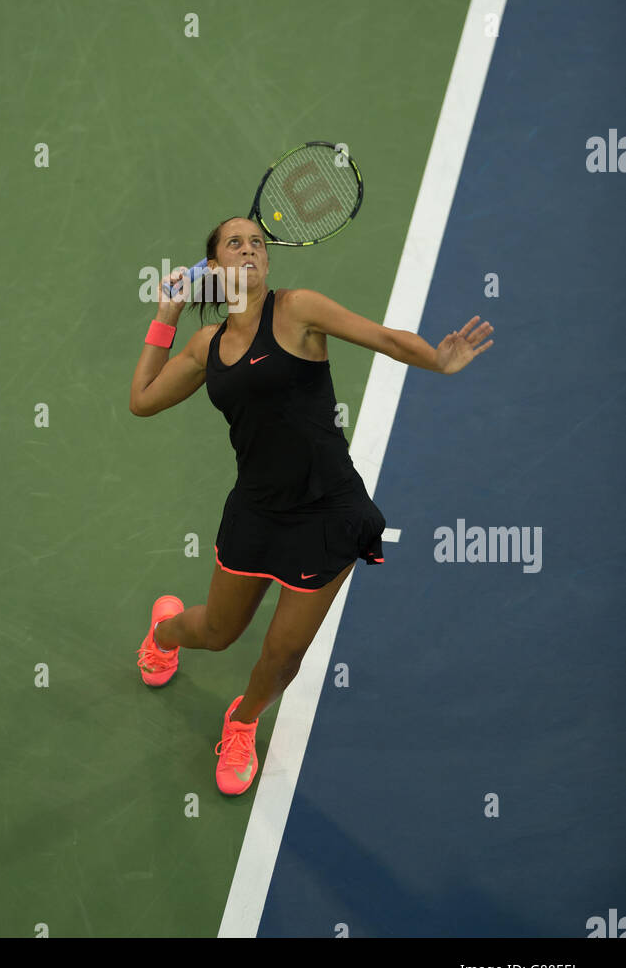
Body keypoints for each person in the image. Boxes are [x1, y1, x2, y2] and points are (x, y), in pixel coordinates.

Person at [129, 216, 493, 795]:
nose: (249, 249)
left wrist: (437, 360)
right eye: (234, 244)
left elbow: (383, 337)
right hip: (255, 512)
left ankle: (243, 720)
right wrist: (165, 317)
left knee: (284, 654)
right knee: (220, 632)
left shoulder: (298, 309)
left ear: (266, 263)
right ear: (216, 268)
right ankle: (165, 634)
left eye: (257, 243)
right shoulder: (207, 347)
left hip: (328, 514)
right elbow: (142, 400)